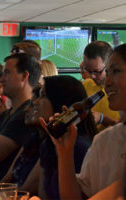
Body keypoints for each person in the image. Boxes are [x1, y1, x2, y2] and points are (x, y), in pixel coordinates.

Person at [40, 44, 126, 199]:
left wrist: (101, 118)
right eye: (108, 72)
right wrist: (64, 152)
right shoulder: (104, 140)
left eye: (116, 71)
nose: (107, 82)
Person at [0, 53, 41, 185]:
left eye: (7, 73)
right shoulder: (6, 114)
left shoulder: (25, 116)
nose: (2, 79)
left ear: (24, 76)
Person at [36, 76, 97, 199]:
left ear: (59, 100)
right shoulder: (49, 143)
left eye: (42, 95)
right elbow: (43, 194)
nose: (36, 101)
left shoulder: (79, 146)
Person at [82, 41, 120, 130]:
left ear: (110, 64)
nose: (92, 76)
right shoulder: (86, 84)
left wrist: (102, 118)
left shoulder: (121, 91)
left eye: (96, 71)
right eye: (88, 70)